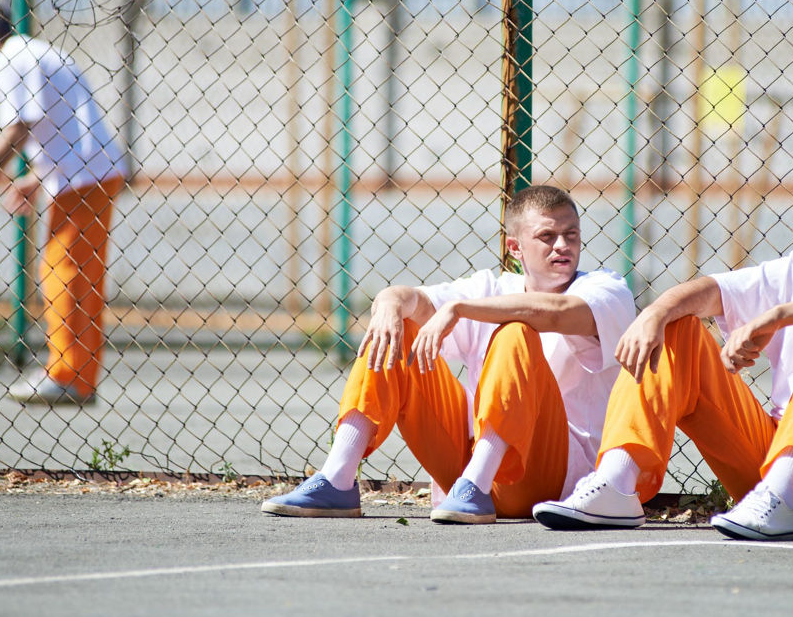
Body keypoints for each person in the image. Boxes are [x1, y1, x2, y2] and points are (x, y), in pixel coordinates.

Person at [533, 153, 793, 539]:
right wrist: (654, 314)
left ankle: (782, 490)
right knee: (678, 327)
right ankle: (617, 483)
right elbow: (710, 289)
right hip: (765, 467)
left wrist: (778, 315)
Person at [261, 185, 635, 523]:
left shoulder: (605, 288)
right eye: (547, 237)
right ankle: (338, 479)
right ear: (515, 248)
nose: (562, 246)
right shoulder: (489, 285)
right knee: (401, 329)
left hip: (549, 479)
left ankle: (478, 481)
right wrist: (389, 302)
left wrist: (462, 309)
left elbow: (550, 312)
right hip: (464, 472)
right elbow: (414, 301)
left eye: (571, 235)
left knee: (516, 330)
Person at [0, 0, 126, 405]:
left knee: (59, 272)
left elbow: (19, 128)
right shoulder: (37, 51)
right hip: (93, 171)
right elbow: (61, 124)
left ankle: (65, 374)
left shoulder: (10, 59)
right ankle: (79, 377)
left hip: (82, 177)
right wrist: (36, 177)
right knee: (83, 279)